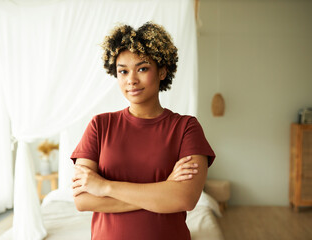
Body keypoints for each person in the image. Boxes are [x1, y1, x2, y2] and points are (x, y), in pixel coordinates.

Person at [70, 22, 215, 240]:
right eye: (123, 71)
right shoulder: (99, 126)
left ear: (163, 71)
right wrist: (164, 190)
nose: (131, 80)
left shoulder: (186, 128)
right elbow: (83, 200)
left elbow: (185, 199)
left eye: (142, 68)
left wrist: (105, 187)